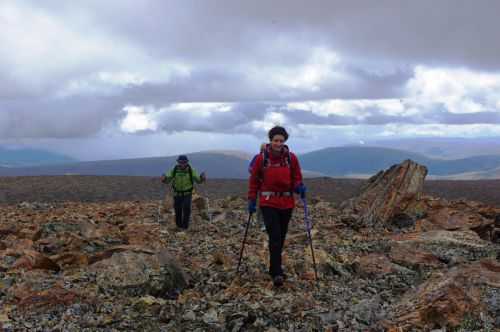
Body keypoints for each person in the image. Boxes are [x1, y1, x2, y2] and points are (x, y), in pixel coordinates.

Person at [248, 126, 306, 287]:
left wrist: (299, 187)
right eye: (275, 140)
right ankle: (276, 272)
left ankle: (274, 267)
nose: (278, 143)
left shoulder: (291, 158)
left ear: (285, 141)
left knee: (280, 237)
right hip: (268, 202)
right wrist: (252, 200)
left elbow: (296, 177)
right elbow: (254, 181)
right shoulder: (261, 159)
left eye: (281, 140)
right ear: (270, 140)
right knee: (274, 236)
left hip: (287, 203)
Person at [161, 155, 205, 230]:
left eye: (184, 162)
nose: (182, 164)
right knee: (177, 209)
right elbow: (168, 180)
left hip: (187, 193)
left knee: (186, 208)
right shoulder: (174, 169)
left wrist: (202, 178)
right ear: (178, 162)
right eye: (180, 162)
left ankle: (185, 226)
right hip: (177, 193)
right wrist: (164, 179)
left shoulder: (191, 170)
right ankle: (179, 226)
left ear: (187, 162)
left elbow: (198, 181)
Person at [248, 143, 267, 231]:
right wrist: (257, 175)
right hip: (259, 185)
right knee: (259, 203)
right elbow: (250, 168)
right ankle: (259, 222)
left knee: (264, 204)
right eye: (263, 149)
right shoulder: (257, 157)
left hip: (267, 186)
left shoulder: (268, 159)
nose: (264, 150)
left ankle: (262, 222)